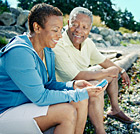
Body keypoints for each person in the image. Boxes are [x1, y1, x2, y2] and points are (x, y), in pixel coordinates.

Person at [0, 4, 107, 134]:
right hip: (6, 112)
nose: (60, 36)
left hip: (27, 105)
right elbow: (40, 97)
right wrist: (82, 92)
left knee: (80, 98)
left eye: (61, 30)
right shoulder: (19, 52)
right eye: (55, 30)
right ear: (37, 27)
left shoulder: (48, 51)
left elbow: (49, 84)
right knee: (67, 111)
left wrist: (73, 85)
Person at [53, 6, 134, 133]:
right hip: (64, 88)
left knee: (110, 75)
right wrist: (106, 72)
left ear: (90, 29)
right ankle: (100, 131)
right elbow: (76, 76)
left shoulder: (88, 43)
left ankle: (115, 110)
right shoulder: (59, 43)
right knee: (96, 87)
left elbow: (104, 61)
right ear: (68, 23)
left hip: (82, 83)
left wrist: (121, 71)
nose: (79, 30)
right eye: (75, 25)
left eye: (85, 27)